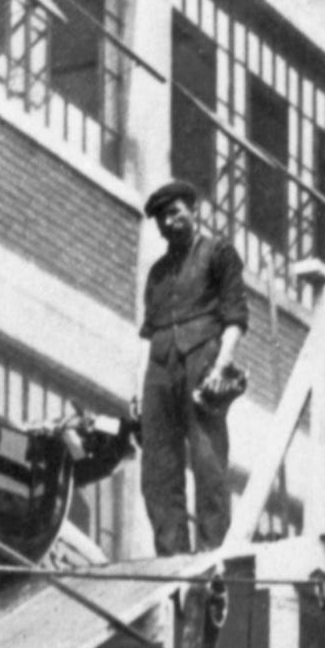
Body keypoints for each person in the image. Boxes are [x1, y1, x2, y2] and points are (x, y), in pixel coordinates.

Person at [134, 178, 251, 561]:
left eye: (175, 213)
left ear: (193, 210)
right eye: (162, 219)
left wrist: (222, 364)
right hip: (159, 368)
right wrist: (138, 388)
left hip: (202, 359)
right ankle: (172, 557)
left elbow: (235, 317)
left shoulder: (218, 253)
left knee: (207, 460)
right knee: (157, 468)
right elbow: (148, 333)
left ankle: (211, 553)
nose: (169, 223)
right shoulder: (157, 273)